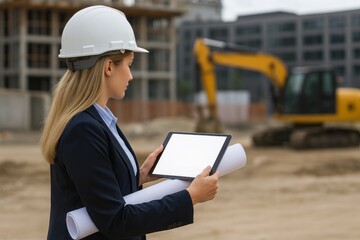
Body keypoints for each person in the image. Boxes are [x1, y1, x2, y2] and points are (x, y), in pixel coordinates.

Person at [40, 5, 220, 240]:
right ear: (108, 67)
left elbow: (96, 188)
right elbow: (115, 220)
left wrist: (139, 175)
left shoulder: (97, 120)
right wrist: (190, 197)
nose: (131, 75)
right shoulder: (83, 129)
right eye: (129, 64)